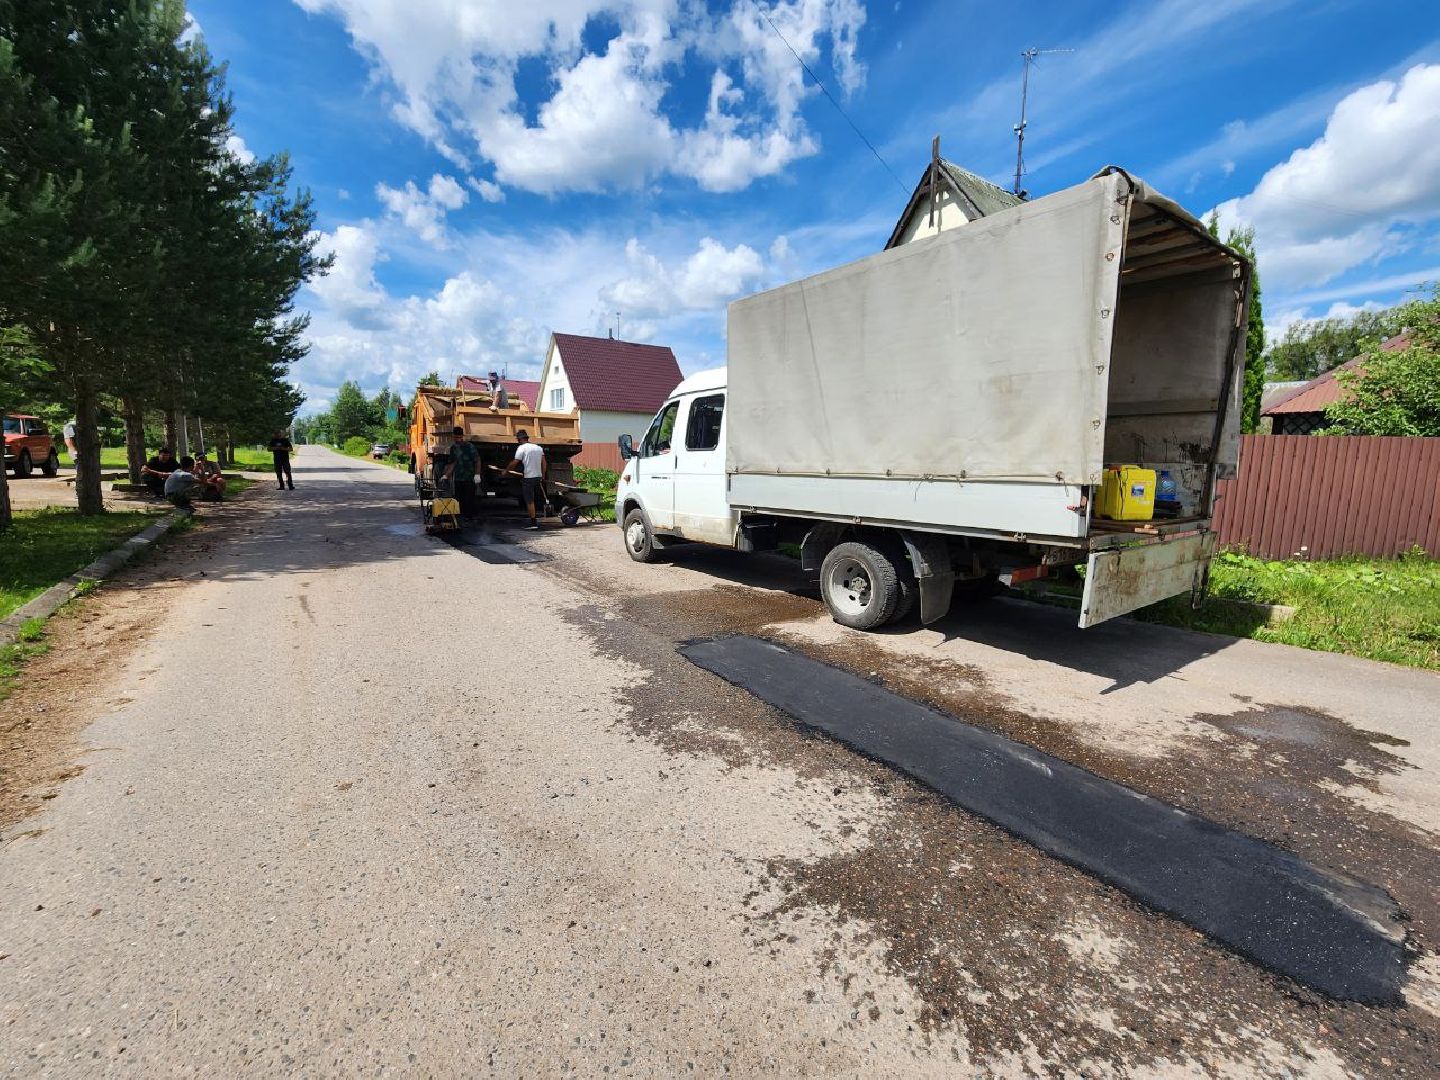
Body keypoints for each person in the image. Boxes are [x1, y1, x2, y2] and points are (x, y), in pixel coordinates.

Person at [505, 429, 547, 530]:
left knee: (529, 501)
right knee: (535, 499)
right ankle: (536, 519)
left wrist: (506, 471)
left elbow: (515, 462)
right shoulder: (538, 448)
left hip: (528, 478)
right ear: (527, 438)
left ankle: (533, 523)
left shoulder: (521, 448)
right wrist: (543, 476)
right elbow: (544, 463)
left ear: (519, 440)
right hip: (538, 477)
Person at [443, 426, 479, 519]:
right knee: (458, 499)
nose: (458, 439)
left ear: (462, 436)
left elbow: (477, 461)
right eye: (456, 437)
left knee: (469, 498)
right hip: (458, 478)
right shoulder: (453, 448)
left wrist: (477, 474)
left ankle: (470, 517)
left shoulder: (470, 447)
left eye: (459, 437)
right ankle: (460, 517)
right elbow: (452, 463)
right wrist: (446, 475)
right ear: (453, 436)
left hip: (469, 478)